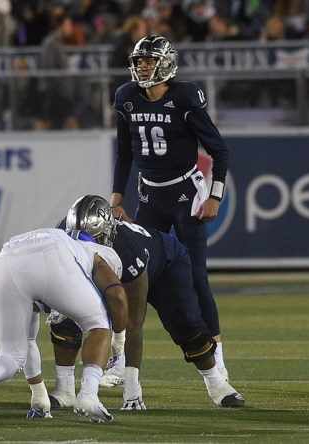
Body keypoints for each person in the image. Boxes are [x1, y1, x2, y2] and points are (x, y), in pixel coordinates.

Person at [48, 195, 244, 410]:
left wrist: (132, 387)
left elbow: (133, 323)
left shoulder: (127, 249)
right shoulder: (61, 238)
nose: (87, 246)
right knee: (63, 317)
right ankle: (64, 388)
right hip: (110, 271)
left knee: (186, 325)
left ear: (109, 234)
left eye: (93, 240)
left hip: (165, 266)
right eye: (80, 240)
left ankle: (216, 383)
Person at [111, 34, 231, 380]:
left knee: (195, 276)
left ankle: (216, 358)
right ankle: (120, 359)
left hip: (186, 195)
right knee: (136, 276)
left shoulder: (185, 97)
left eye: (149, 60)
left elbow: (219, 150)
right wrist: (116, 199)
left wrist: (215, 196)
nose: (143, 66)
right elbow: (125, 153)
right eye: (139, 61)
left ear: (165, 63)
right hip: (149, 195)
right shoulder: (126, 98)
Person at [0, 227, 127, 424]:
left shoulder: (62, 243)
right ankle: (89, 395)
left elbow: (30, 338)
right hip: (52, 256)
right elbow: (116, 294)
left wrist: (39, 395)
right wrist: (119, 341)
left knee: (9, 355)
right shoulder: (101, 253)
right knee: (98, 326)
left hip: (2, 261)